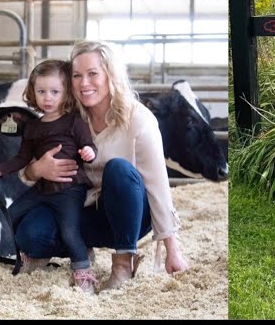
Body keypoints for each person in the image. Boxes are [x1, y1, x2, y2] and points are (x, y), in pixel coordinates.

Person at [12, 40, 188, 290]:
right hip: (80, 210)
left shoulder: (138, 119)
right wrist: (37, 169)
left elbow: (158, 187)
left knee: (118, 169)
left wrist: (173, 250)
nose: (84, 83)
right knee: (31, 234)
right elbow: (26, 173)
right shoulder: (66, 118)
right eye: (76, 75)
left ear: (110, 75)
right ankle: (81, 250)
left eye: (93, 74)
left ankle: (124, 261)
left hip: (130, 213)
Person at [0, 59, 99, 292]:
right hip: (42, 188)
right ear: (33, 92)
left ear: (66, 93)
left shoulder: (74, 121)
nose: (48, 98)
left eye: (55, 92)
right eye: (41, 91)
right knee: (11, 214)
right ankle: (29, 255)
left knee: (69, 229)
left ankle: (83, 270)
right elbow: (22, 159)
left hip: (69, 189)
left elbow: (89, 146)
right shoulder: (33, 127)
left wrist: (88, 152)